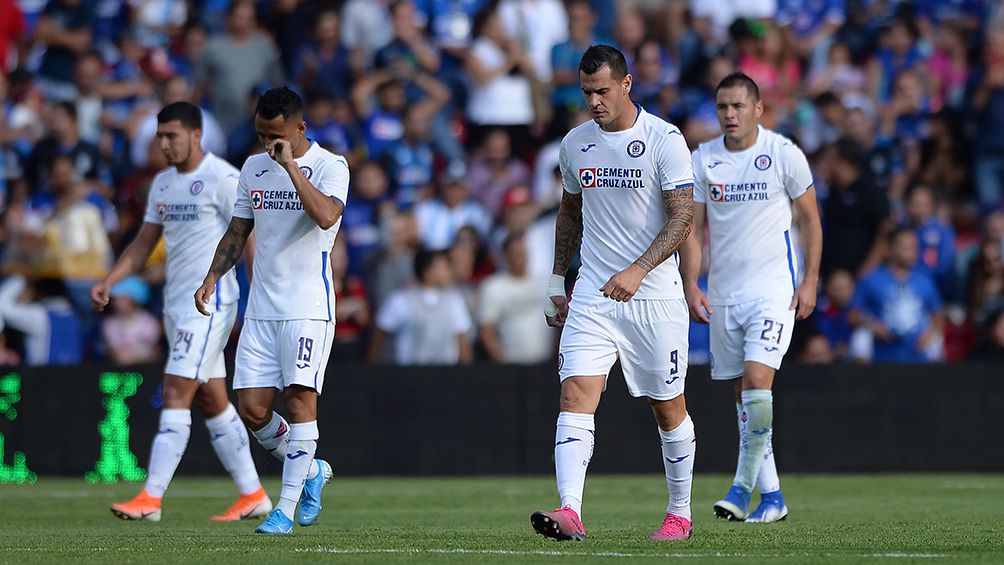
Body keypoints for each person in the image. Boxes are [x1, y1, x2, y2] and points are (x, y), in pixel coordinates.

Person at [533, 45, 697, 543]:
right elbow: (569, 213)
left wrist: (640, 269)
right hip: (594, 295)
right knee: (574, 394)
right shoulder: (576, 143)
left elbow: (683, 217)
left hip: (654, 295)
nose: (594, 101)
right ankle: (570, 511)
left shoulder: (663, 139)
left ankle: (680, 513)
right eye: (586, 93)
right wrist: (555, 280)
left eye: (602, 90)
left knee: (667, 407)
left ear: (626, 84)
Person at [91, 102, 269, 522]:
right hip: (175, 306)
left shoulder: (225, 179)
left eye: (172, 136)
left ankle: (151, 498)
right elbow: (143, 243)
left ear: (195, 135)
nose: (164, 144)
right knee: (211, 399)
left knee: (175, 390)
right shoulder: (163, 184)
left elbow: (247, 238)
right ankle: (253, 495)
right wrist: (111, 280)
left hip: (210, 304)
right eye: (159, 137)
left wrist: (256, 300)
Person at [195, 86, 345, 534]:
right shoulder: (253, 167)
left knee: (301, 402)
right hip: (262, 308)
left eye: (275, 135)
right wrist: (211, 278)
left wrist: (291, 167)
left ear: (301, 128)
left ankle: (284, 509)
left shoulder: (331, 165)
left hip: (307, 307)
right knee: (253, 410)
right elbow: (239, 230)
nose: (267, 144)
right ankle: (314, 470)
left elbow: (325, 216)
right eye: (261, 135)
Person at [681, 72, 823, 524]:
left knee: (759, 380)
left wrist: (811, 281)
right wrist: (691, 283)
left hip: (773, 290)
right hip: (724, 294)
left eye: (739, 106)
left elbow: (812, 222)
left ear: (758, 109)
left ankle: (741, 489)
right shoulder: (702, 160)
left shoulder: (783, 155)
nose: (729, 114)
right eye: (723, 106)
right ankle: (773, 497)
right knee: (743, 396)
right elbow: (693, 230)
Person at [850, 227, 944, 363]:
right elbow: (853, 315)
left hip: (917, 352)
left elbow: (938, 316)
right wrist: (873, 326)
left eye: (914, 247)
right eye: (905, 247)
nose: (911, 253)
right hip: (882, 350)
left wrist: (930, 334)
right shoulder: (871, 279)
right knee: (860, 337)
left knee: (937, 343)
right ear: (891, 249)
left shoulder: (925, 281)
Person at [368, 249, 473, 365]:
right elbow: (380, 336)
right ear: (427, 272)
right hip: (410, 376)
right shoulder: (400, 300)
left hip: (445, 375)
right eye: (444, 266)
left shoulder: (454, 300)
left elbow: (462, 339)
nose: (449, 270)